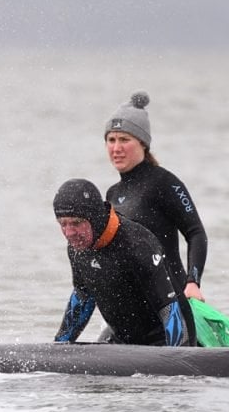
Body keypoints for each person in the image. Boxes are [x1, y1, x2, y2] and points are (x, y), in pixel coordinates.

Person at [53, 178, 195, 347]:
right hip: (121, 342)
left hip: (163, 342)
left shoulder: (137, 244)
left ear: (95, 217)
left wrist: (178, 358)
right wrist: (58, 348)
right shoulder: (77, 248)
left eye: (76, 223)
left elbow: (169, 310)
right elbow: (83, 297)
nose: (69, 233)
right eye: (63, 224)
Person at [103, 91, 208, 302]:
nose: (116, 148)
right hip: (135, 305)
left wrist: (193, 282)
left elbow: (196, 233)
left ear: (143, 143)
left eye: (124, 139)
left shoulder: (164, 182)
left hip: (171, 299)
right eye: (111, 140)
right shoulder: (112, 194)